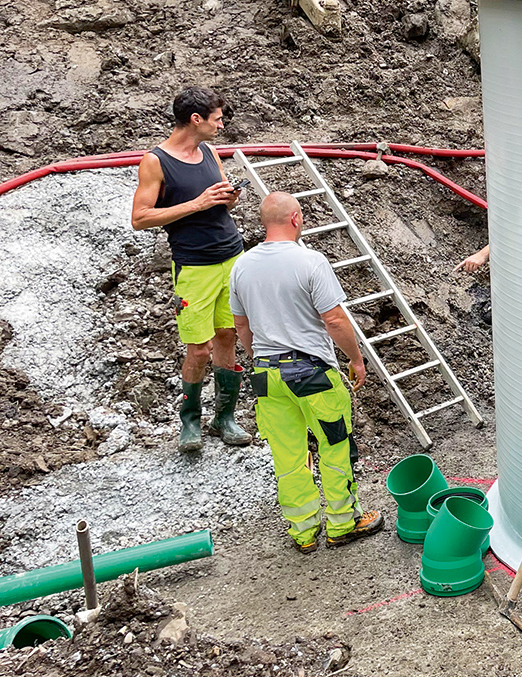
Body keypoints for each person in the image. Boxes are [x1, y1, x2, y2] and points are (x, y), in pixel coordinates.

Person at [229, 192, 384, 553]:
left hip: (267, 377)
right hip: (312, 374)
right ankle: (343, 524)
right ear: (296, 218)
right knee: (334, 447)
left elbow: (242, 326)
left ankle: (303, 532)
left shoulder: (242, 266)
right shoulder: (310, 262)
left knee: (288, 456)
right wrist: (356, 359)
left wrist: (258, 359)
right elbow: (333, 319)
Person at [131, 85, 251, 453]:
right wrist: (197, 204)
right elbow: (140, 218)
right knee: (199, 349)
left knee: (228, 337)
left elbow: (216, 207)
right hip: (194, 266)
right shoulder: (155, 161)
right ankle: (190, 421)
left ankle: (225, 418)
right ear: (195, 119)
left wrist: (226, 200)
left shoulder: (209, 151)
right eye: (216, 119)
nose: (221, 125)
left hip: (230, 256)